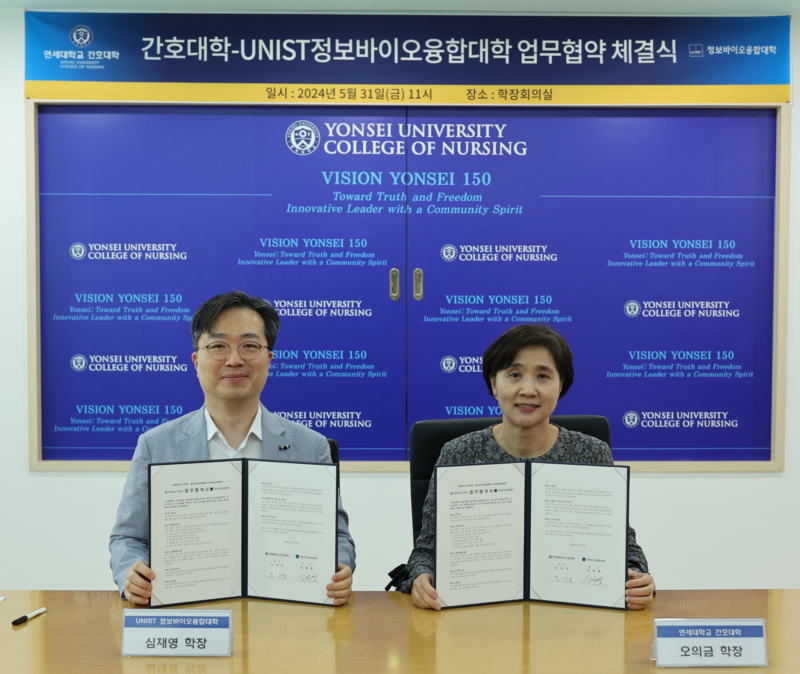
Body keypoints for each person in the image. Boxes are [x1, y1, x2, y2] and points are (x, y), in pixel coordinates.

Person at [109, 291, 355, 605]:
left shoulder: (311, 447)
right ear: (196, 361)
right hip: (191, 610)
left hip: (285, 613)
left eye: (250, 346)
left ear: (269, 359)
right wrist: (130, 571)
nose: (234, 359)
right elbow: (128, 537)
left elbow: (338, 538)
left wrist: (340, 567)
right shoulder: (156, 445)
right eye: (218, 346)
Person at [400, 324, 655, 610]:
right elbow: (426, 550)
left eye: (543, 376)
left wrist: (637, 577)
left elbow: (624, 548)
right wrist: (421, 577)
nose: (528, 390)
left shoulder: (591, 454)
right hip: (478, 613)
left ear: (561, 386)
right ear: (494, 384)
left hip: (566, 614)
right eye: (514, 375)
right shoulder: (459, 454)